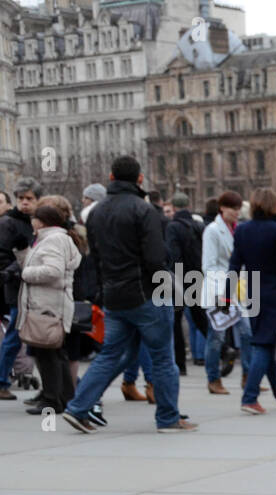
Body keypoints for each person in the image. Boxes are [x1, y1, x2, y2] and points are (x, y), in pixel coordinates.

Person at [61, 156, 195, 434]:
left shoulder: (95, 213)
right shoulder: (143, 210)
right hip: (145, 294)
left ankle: (77, 407)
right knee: (162, 358)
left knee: (110, 355)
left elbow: (94, 257)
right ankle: (168, 418)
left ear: (110, 178)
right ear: (140, 180)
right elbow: (156, 258)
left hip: (113, 295)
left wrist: (102, 291)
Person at [231, 187, 276, 415]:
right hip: (274, 294)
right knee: (263, 344)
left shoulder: (242, 230)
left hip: (252, 291)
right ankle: (250, 397)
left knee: (267, 342)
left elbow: (234, 265)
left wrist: (226, 292)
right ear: (273, 205)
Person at [16, 202, 83, 414]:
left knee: (48, 355)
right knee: (55, 353)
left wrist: (26, 274)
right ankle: (63, 397)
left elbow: (53, 271)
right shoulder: (55, 238)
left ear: (41, 221)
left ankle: (53, 400)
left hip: (48, 306)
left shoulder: (53, 240)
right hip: (51, 305)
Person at [201, 191, 250, 395]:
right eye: (233, 209)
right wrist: (224, 293)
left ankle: (248, 376)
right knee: (217, 337)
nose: (236, 213)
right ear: (222, 208)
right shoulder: (213, 231)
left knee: (247, 332)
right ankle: (213, 378)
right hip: (219, 290)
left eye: (238, 209)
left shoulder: (238, 229)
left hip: (238, 289)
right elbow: (209, 265)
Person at [0, 177, 41, 400]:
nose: (25, 203)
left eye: (30, 199)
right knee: (15, 337)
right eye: (21, 199)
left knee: (37, 336)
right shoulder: (8, 223)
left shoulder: (36, 222)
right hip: (17, 286)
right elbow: (3, 256)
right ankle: (1, 380)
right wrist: (17, 269)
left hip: (33, 285)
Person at [166, 192, 206, 373]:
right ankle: (221, 349)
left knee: (175, 321)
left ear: (173, 208)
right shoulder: (199, 225)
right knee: (200, 318)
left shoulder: (172, 227)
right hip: (197, 276)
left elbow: (174, 255)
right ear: (188, 206)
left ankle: (180, 364)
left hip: (179, 278)